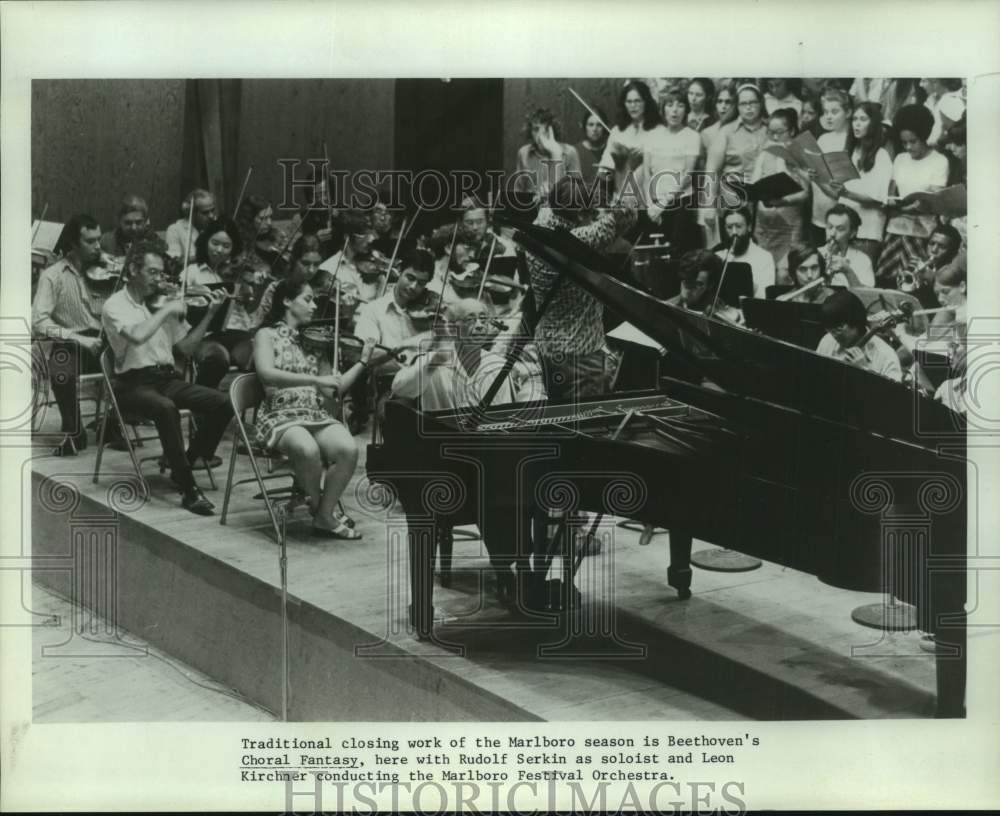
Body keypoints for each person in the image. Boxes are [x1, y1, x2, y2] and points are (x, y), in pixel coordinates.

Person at [101, 238, 233, 514]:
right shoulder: (115, 305)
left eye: (162, 273)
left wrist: (209, 315)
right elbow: (137, 336)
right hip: (131, 384)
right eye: (153, 272)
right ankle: (188, 488)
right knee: (165, 408)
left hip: (166, 379)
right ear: (134, 270)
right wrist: (166, 310)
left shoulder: (162, 303)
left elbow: (185, 348)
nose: (159, 279)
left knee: (224, 403)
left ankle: (186, 460)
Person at [252, 278, 374, 539]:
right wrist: (315, 380)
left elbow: (333, 390)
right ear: (287, 301)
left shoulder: (315, 343)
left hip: (313, 411)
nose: (314, 305)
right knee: (307, 450)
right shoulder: (266, 335)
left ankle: (322, 515)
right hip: (279, 413)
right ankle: (324, 512)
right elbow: (266, 373)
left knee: (348, 450)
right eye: (308, 299)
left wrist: (363, 362)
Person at [526, 175, 637, 400]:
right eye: (590, 213)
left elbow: (548, 205)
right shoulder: (582, 238)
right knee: (586, 426)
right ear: (580, 215)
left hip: (547, 348)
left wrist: (588, 203)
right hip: (581, 356)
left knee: (560, 420)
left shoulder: (539, 227)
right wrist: (606, 199)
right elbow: (629, 213)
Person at [32, 214, 106, 454]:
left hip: (106, 339)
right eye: (90, 242)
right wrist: (79, 338)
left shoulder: (108, 271)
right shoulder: (52, 275)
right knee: (61, 368)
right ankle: (74, 431)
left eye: (99, 240)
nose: (98, 247)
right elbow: (39, 320)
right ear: (74, 243)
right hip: (74, 342)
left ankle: (114, 422)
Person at [183, 219, 264, 391]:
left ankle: (250, 407)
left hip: (236, 333)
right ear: (206, 242)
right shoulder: (191, 272)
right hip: (205, 334)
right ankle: (204, 408)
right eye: (215, 243)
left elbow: (250, 309)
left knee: (260, 355)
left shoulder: (237, 274)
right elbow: (184, 310)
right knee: (217, 357)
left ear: (233, 249)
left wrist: (250, 295)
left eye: (226, 246)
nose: (219, 250)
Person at [876, 104, 951, 286]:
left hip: (922, 233)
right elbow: (891, 192)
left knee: (914, 284)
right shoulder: (900, 159)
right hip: (895, 231)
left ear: (924, 136)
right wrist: (892, 203)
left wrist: (905, 208)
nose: (908, 147)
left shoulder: (939, 161)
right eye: (904, 142)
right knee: (885, 281)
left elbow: (932, 201)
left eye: (913, 141)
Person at [640, 86, 702, 255]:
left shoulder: (692, 136)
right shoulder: (651, 136)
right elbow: (647, 173)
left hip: (680, 202)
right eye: (669, 105)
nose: (674, 111)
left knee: (677, 251)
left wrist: (663, 204)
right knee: (653, 252)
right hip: (654, 202)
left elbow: (688, 175)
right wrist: (650, 204)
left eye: (680, 105)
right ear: (663, 109)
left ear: (686, 109)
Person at [831, 101, 892, 264]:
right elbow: (839, 195)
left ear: (873, 123)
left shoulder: (881, 156)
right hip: (843, 230)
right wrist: (817, 179)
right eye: (854, 119)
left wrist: (847, 193)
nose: (856, 124)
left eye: (863, 119)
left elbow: (879, 199)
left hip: (866, 234)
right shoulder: (850, 152)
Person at [705, 83, 768, 230]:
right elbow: (711, 171)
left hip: (766, 205)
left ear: (761, 103)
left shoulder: (770, 129)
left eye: (753, 102)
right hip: (733, 202)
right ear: (737, 106)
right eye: (743, 103)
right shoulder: (726, 132)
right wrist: (709, 206)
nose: (748, 107)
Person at [750, 108, 809, 265]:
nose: (775, 137)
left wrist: (784, 200)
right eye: (771, 132)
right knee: (763, 267)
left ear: (791, 131)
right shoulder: (764, 154)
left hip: (789, 225)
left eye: (780, 132)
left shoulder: (800, 155)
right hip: (764, 226)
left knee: (786, 271)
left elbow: (806, 193)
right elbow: (754, 184)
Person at [815, 289, 902, 381]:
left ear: (856, 321)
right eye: (830, 329)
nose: (834, 335)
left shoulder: (887, 356)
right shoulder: (827, 341)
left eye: (839, 328)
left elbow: (890, 395)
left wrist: (864, 372)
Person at [597, 79, 664, 196]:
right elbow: (605, 168)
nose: (633, 106)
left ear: (646, 102)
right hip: (622, 196)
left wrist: (646, 155)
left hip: (651, 197)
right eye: (629, 101)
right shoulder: (617, 131)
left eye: (637, 101)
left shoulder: (659, 131)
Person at [807, 87, 852, 246]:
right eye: (826, 112)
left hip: (839, 217)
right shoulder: (823, 139)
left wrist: (819, 179)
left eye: (834, 112)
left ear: (848, 113)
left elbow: (839, 190)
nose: (829, 117)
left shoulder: (851, 141)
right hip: (818, 213)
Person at [514, 107, 582, 201]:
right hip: (531, 209)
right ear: (530, 131)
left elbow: (577, 193)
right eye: (536, 129)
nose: (540, 136)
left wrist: (555, 152)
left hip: (561, 210)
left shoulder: (570, 152)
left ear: (552, 131)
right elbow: (519, 192)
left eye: (546, 130)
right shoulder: (523, 153)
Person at [667, 248, 744, 324]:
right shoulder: (667, 308)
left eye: (697, 284)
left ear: (710, 285)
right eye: (687, 281)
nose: (688, 290)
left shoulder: (721, 311)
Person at [716, 207, 775, 297]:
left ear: (749, 227)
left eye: (739, 226)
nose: (734, 232)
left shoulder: (764, 257)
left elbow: (765, 296)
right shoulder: (718, 256)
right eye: (729, 227)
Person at [900, 223, 962, 309]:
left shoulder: (956, 271)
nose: (933, 250)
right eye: (931, 243)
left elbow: (951, 304)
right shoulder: (923, 264)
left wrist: (932, 279)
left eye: (942, 247)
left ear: (952, 252)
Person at [820, 204, 875, 287]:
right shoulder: (815, 255)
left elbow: (867, 295)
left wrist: (848, 271)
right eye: (830, 227)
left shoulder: (863, 260)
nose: (832, 234)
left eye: (840, 229)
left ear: (852, 233)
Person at [165, 189, 216, 260]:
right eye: (205, 213)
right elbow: (174, 262)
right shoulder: (175, 230)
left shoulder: (217, 228)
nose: (211, 216)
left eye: (212, 211)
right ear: (191, 213)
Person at [574, 105, 610, 184]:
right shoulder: (575, 152)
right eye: (591, 125)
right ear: (584, 126)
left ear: (604, 127)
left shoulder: (610, 150)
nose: (594, 129)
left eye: (599, 125)